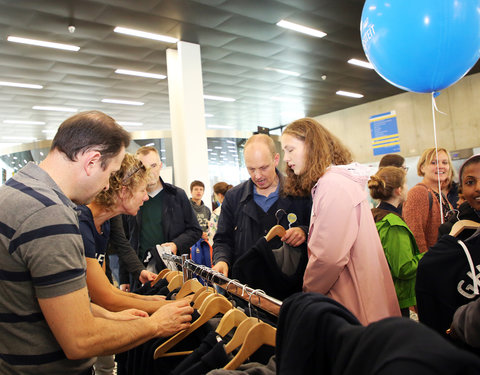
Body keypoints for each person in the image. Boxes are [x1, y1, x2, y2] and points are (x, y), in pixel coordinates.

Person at [0, 111, 193, 374]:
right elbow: (79, 340)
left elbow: (45, 299)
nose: (106, 186)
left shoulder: (17, 189)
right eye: (111, 173)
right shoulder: (50, 214)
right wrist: (154, 325)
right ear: (92, 161)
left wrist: (112, 318)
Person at [281, 117, 400, 325]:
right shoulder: (338, 183)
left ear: (311, 146)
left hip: (351, 300)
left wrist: (307, 293)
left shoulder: (332, 186)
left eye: (290, 150)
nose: (286, 158)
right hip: (360, 294)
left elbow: (329, 257)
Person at [212, 134, 311, 277]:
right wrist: (221, 260)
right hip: (245, 287)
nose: (258, 176)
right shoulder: (233, 197)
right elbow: (222, 240)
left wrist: (304, 231)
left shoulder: (300, 193)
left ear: (276, 159)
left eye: (263, 168)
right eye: (251, 169)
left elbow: (319, 233)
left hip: (289, 288)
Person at [122, 146, 202, 290]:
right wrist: (123, 278)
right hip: (140, 274)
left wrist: (175, 244)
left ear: (160, 166)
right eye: (144, 167)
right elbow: (125, 241)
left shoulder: (177, 195)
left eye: (153, 166)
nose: (150, 172)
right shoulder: (131, 199)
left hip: (174, 274)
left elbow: (195, 230)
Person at [368, 166, 423, 317]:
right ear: (398, 190)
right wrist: (429, 255)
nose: (407, 188)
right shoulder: (392, 224)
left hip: (382, 296)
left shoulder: (373, 216)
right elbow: (403, 268)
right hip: (397, 299)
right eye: (405, 184)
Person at [403, 147, 454, 252]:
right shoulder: (419, 193)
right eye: (434, 163)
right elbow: (415, 234)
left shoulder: (440, 194)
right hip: (433, 263)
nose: (440, 167)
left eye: (445, 162)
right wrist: (427, 263)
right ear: (422, 168)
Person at [438, 154, 480, 239]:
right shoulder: (451, 230)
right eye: (470, 182)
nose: (478, 188)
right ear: (462, 189)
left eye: (445, 162)